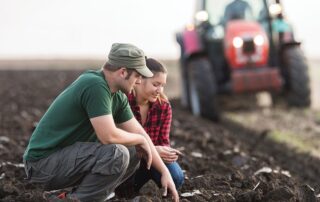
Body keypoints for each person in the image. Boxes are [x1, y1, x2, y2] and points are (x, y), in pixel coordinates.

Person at [23, 43, 179, 202]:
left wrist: (165, 173)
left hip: (66, 160)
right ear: (123, 72)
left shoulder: (118, 96)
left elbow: (140, 133)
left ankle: (75, 197)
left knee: (134, 151)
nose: (139, 82)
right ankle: (77, 199)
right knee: (117, 153)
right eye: (138, 76)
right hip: (41, 165)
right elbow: (108, 136)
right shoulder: (94, 85)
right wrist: (140, 140)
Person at [127, 58, 184, 192]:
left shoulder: (163, 107)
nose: (160, 90)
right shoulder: (123, 103)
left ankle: (146, 184)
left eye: (162, 85)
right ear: (139, 80)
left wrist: (167, 152)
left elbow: (163, 141)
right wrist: (150, 150)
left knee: (176, 178)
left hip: (153, 160)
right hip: (128, 159)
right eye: (156, 84)